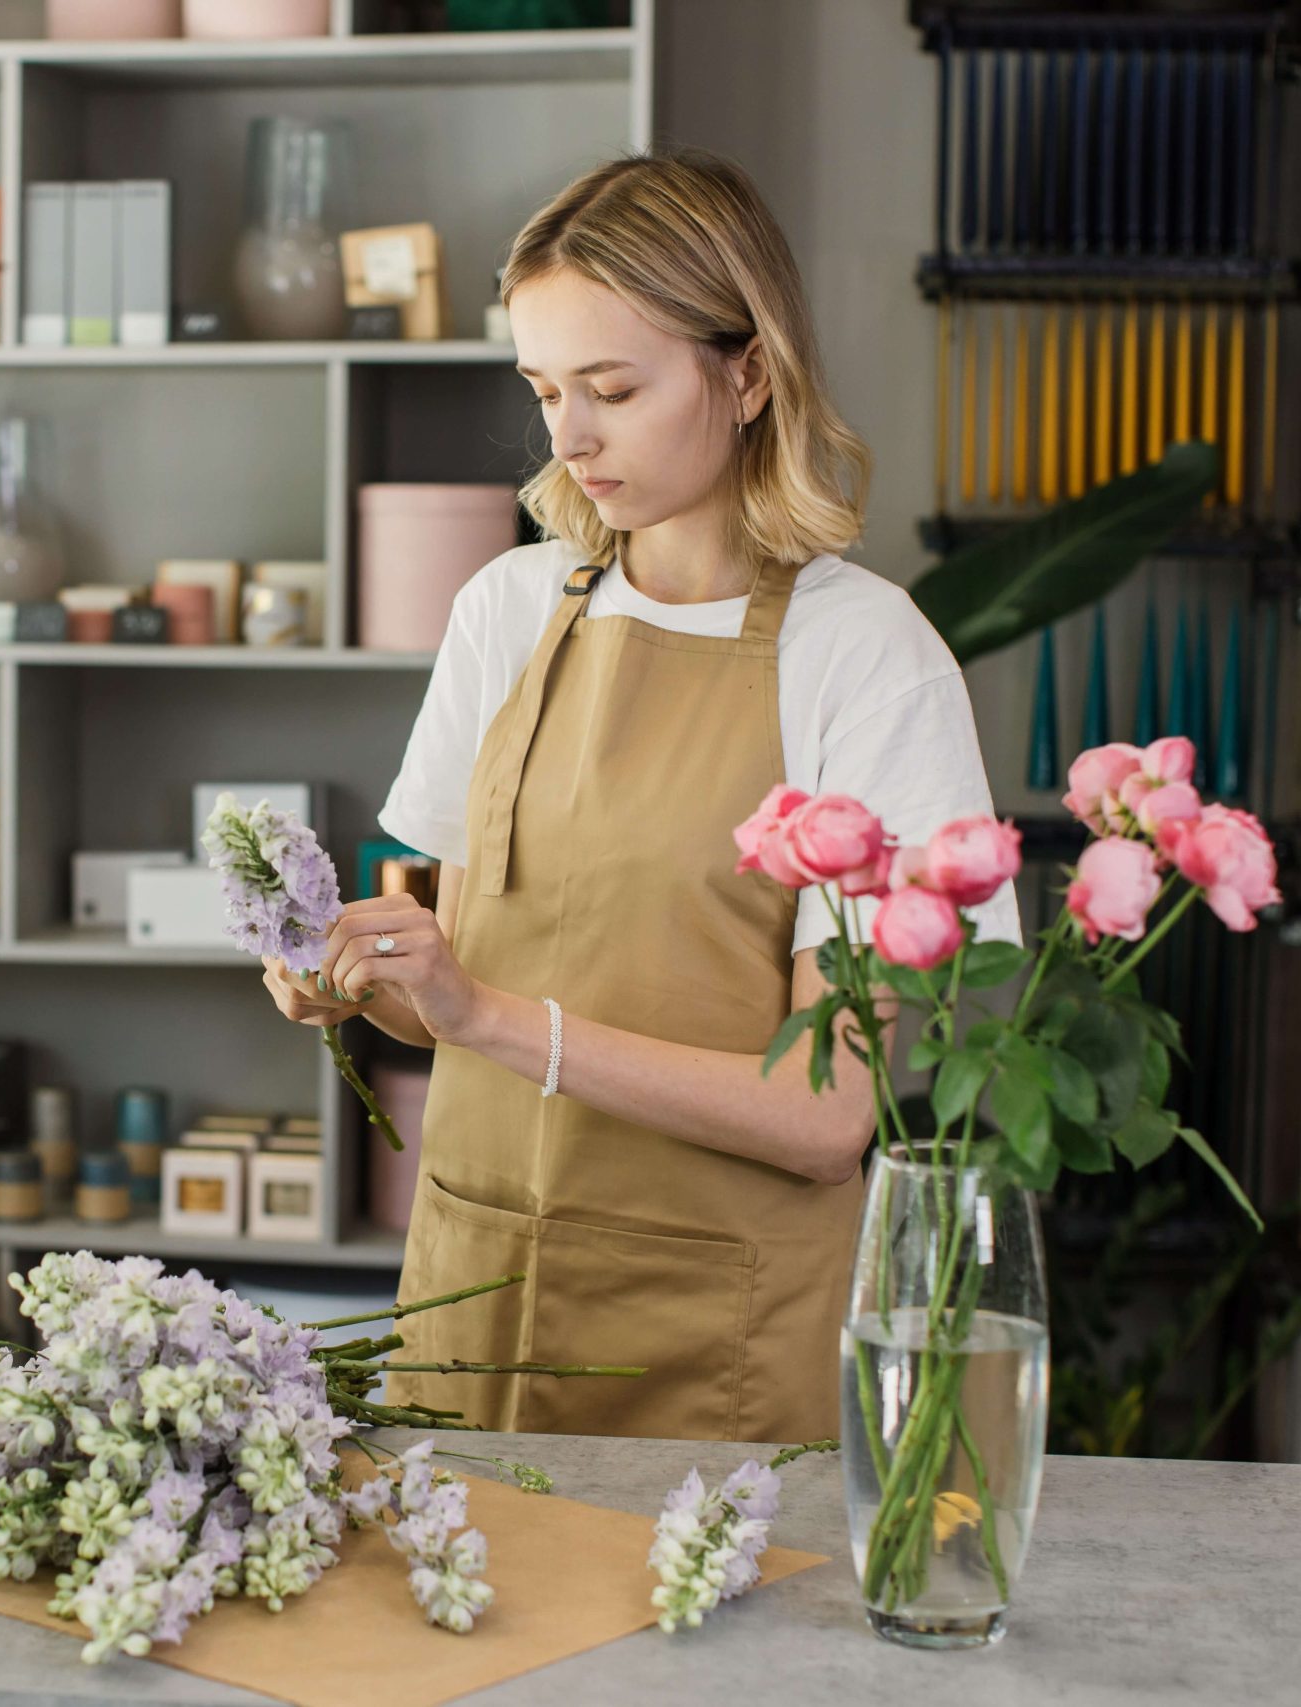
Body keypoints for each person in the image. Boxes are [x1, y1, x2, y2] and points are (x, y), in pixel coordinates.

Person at [258, 148, 1018, 1443]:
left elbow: (834, 1118)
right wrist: (343, 972)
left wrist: (485, 1015)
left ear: (749, 373)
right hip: (472, 1304)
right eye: (545, 389)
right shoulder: (506, 610)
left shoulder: (868, 658)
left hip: (712, 1341)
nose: (569, 437)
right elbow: (432, 973)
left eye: (612, 387)